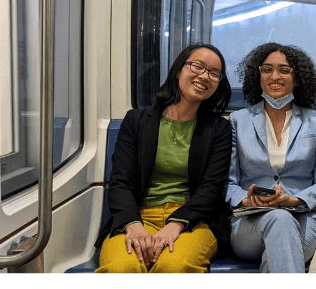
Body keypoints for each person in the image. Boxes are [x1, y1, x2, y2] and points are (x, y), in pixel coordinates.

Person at [96, 44, 233, 272]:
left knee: (173, 266)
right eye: (197, 66)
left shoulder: (219, 129)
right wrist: (133, 224)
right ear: (179, 70)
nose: (204, 76)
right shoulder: (137, 121)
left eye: (213, 73)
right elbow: (121, 181)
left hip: (193, 221)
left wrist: (176, 224)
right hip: (139, 215)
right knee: (122, 268)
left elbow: (211, 188)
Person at [228, 43, 316, 273]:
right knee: (280, 224)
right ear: (258, 75)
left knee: (280, 242)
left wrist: (293, 200)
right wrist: (246, 199)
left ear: (298, 77)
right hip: (249, 224)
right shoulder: (238, 120)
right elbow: (227, 183)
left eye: (285, 70)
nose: (275, 76)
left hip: (303, 220)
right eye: (267, 69)